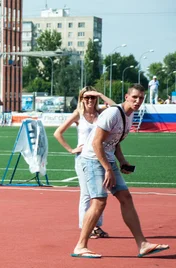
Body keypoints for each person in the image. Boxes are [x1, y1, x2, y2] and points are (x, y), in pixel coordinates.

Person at [71, 84, 169, 258]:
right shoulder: (112, 113)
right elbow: (96, 143)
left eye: (141, 98)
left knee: (126, 197)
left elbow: (114, 142)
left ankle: (142, 244)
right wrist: (108, 169)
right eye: (134, 97)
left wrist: (122, 162)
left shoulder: (129, 116)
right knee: (99, 201)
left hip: (107, 159)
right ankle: (80, 245)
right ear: (126, 97)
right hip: (93, 159)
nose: (138, 101)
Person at [54, 86, 114, 239]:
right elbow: (58, 133)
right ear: (81, 99)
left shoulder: (101, 113)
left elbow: (115, 108)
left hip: (99, 157)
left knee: (99, 194)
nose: (89, 100)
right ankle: (86, 227)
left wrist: (100, 93)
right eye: (86, 97)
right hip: (82, 159)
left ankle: (96, 225)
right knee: (86, 194)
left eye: (92, 97)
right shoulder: (78, 115)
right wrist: (71, 149)